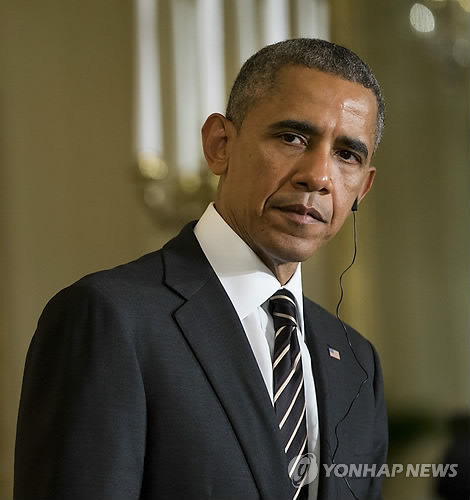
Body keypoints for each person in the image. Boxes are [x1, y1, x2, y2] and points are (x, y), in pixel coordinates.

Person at [14, 38, 388, 500]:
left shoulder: (357, 362)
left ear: (362, 189)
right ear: (219, 145)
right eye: (292, 138)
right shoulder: (110, 318)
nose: (319, 176)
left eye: (347, 155)